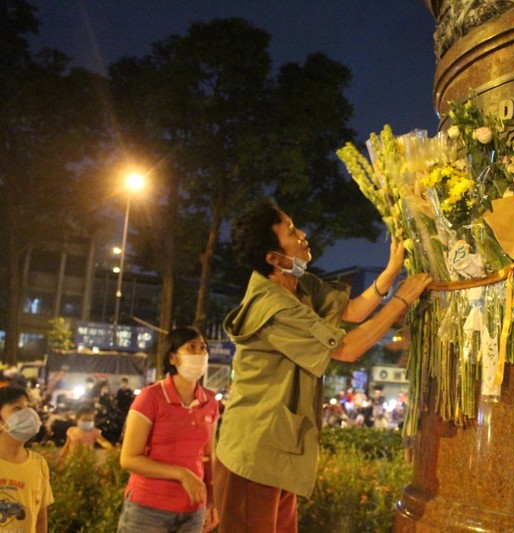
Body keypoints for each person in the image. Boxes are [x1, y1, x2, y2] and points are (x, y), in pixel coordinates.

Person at [213, 197, 432, 532]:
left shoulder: (300, 284)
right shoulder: (273, 304)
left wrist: (389, 274)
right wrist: (402, 300)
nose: (302, 234)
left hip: (281, 447)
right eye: (290, 232)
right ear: (273, 258)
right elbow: (345, 348)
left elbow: (352, 311)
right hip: (254, 451)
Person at [117, 327, 220, 533]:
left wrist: (212, 500)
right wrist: (181, 474)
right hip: (148, 510)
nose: (199, 354)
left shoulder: (209, 401)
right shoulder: (151, 397)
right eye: (191, 348)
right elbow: (129, 458)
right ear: (172, 358)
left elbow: (209, 455)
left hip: (193, 511)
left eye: (203, 349)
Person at [0, 386, 53, 533]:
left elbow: (41, 517)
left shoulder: (39, 464)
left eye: (28, 407)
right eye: (17, 409)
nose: (27, 413)